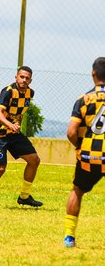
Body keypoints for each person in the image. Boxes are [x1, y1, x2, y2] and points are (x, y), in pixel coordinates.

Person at [0, 66, 43, 209]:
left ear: (30, 80)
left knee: (34, 160)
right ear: (16, 77)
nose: (24, 80)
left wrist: (17, 123)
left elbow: (20, 112)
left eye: (27, 78)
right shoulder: (8, 91)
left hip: (13, 134)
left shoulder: (30, 93)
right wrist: (10, 125)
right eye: (21, 77)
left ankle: (24, 196)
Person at [64, 57, 105, 248]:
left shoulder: (83, 99)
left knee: (77, 191)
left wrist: (79, 146)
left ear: (93, 74)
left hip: (89, 156)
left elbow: (71, 132)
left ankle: (69, 237)